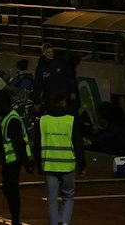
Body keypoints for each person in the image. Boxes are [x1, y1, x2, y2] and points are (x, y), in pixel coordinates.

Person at [35, 91, 85, 225]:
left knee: (52, 199)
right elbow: (79, 145)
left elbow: (37, 146)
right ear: (64, 103)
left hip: (50, 165)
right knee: (68, 196)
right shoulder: (71, 120)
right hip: (67, 165)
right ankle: (65, 222)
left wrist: (38, 165)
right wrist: (82, 166)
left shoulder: (43, 121)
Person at [0, 89, 35, 225]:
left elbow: (19, 144)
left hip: (13, 161)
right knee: (8, 190)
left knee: (11, 191)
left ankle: (15, 220)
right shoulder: (7, 117)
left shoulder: (12, 119)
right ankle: (15, 219)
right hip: (9, 161)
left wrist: (26, 163)